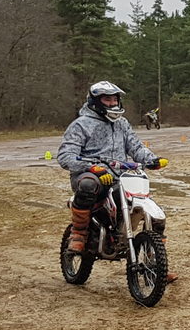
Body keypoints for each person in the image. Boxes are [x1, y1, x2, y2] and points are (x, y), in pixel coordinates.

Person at [56, 81, 172, 280]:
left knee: (152, 212)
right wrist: (91, 167)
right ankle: (79, 233)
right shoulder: (81, 124)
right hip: (90, 174)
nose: (112, 103)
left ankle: (156, 265)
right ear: (96, 101)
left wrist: (151, 159)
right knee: (87, 185)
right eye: (107, 99)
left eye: (114, 99)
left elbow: (135, 147)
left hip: (119, 175)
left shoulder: (122, 123)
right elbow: (66, 155)